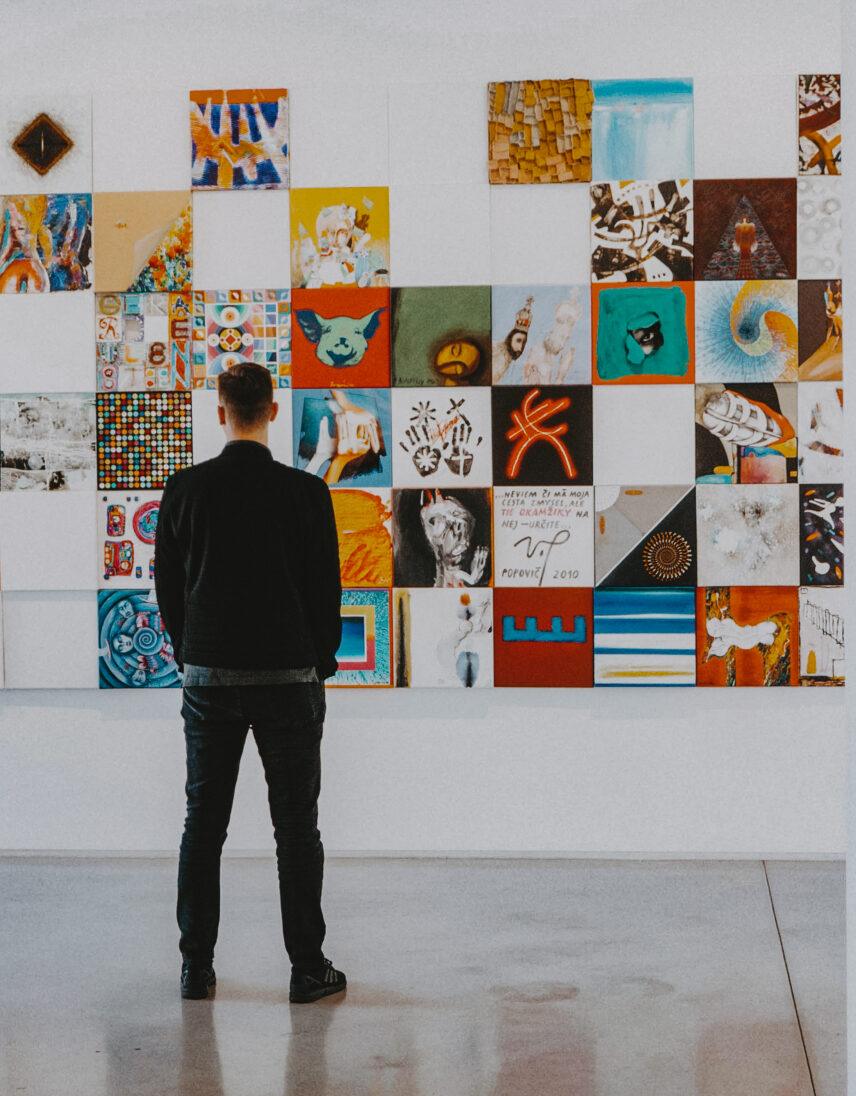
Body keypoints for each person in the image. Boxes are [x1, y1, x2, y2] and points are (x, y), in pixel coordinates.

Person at [154, 361, 345, 1004]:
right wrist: (319, 659)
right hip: (290, 678)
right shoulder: (305, 494)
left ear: (220, 411)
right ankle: (306, 967)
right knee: (295, 827)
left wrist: (193, 653)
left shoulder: (183, 491)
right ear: (271, 411)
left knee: (202, 824)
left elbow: (169, 594)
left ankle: (196, 968)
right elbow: (326, 593)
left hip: (208, 678)